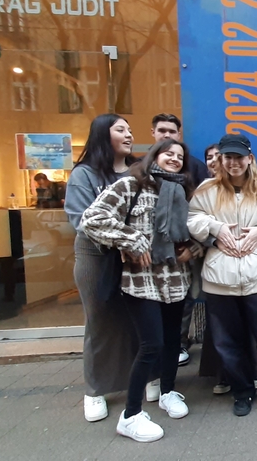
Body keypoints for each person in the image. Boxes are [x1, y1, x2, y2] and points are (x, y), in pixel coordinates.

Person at [80, 138, 199, 442]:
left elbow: (196, 231)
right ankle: (130, 415)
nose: (175, 159)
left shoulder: (183, 191)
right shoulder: (130, 185)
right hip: (141, 280)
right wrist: (131, 239)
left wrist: (194, 248)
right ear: (154, 155)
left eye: (180, 157)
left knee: (172, 341)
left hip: (176, 278)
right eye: (168, 153)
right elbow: (92, 218)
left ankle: (168, 392)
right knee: (151, 345)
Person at [187, 133, 257, 416]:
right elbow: (192, 221)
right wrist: (215, 228)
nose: (233, 163)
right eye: (228, 157)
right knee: (228, 342)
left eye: (239, 157)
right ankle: (242, 391)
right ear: (221, 160)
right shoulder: (206, 190)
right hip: (219, 280)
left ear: (250, 159)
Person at [65, 114, 141, 423]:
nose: (128, 135)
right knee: (99, 321)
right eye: (120, 129)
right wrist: (125, 240)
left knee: (139, 319)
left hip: (137, 257)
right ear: (102, 134)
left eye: (130, 130)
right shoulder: (84, 174)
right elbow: (82, 219)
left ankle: (143, 378)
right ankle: (95, 390)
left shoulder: (138, 171)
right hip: (96, 257)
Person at [150, 113, 207, 367]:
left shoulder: (194, 168)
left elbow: (203, 212)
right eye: (162, 130)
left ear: (179, 134)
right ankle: (151, 366)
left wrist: (194, 248)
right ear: (153, 133)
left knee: (182, 304)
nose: (167, 135)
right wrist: (134, 245)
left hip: (181, 255)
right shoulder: (138, 174)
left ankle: (179, 346)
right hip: (147, 261)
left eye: (172, 131)